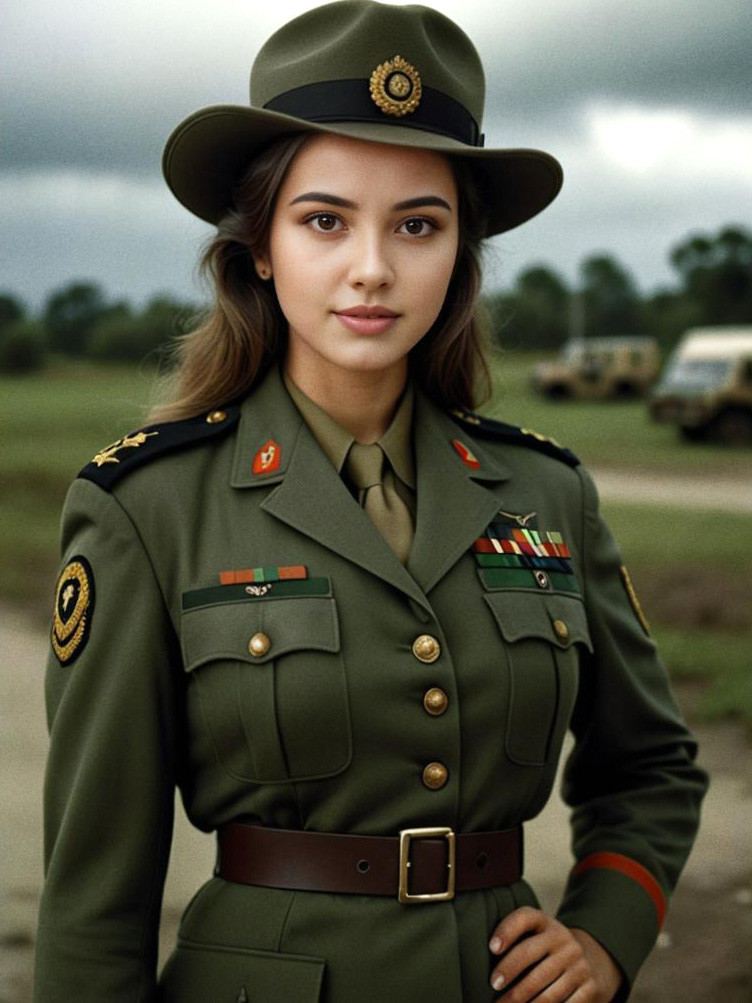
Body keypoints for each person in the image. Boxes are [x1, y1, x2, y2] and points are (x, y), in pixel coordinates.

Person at [34, 2, 709, 1001]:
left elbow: (649, 764)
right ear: (259, 245)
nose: (372, 269)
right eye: (323, 219)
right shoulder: (147, 506)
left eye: (417, 225)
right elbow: (94, 892)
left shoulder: (546, 491)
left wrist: (604, 935)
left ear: (460, 256)